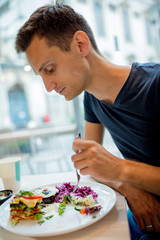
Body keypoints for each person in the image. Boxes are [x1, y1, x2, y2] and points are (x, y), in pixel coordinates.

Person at [15, 2, 160, 239]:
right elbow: (91, 166)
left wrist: (121, 169)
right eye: (41, 75)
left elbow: (107, 167)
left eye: (50, 69)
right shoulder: (91, 101)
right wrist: (128, 187)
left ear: (80, 44)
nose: (48, 87)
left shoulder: (154, 84)